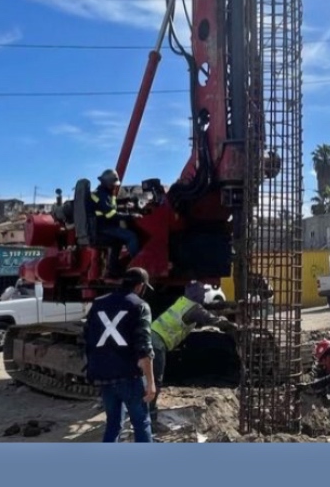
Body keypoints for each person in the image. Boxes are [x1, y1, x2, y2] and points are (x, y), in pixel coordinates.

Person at [84, 267, 157, 443]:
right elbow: (144, 348)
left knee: (113, 424)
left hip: (105, 376)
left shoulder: (98, 303)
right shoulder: (140, 305)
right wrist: (151, 383)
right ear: (140, 286)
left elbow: (87, 339)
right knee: (141, 423)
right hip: (129, 377)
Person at [148, 279, 236, 424]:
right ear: (197, 295)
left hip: (150, 338)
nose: (203, 296)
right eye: (202, 293)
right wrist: (236, 327)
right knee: (155, 382)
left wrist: (231, 305)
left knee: (147, 379)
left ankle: (143, 412)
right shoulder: (194, 309)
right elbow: (214, 320)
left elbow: (209, 306)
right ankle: (149, 418)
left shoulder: (184, 302)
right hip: (157, 344)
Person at [92, 168, 140, 277]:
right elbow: (111, 215)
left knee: (117, 242)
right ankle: (138, 267)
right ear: (107, 183)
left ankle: (113, 270)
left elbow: (111, 207)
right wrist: (131, 216)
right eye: (113, 184)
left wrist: (125, 204)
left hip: (103, 227)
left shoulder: (104, 194)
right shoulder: (102, 196)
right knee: (131, 236)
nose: (115, 186)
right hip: (103, 228)